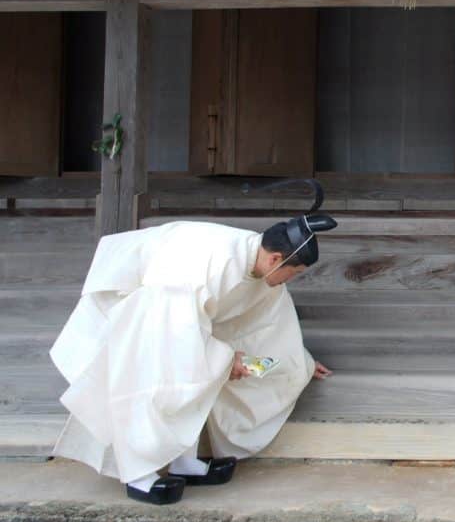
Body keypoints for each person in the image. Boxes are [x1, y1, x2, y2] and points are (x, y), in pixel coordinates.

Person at [48, 211, 337, 505]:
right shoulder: (212, 263)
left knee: (201, 380)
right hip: (144, 312)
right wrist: (225, 360)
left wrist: (300, 361)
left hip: (182, 324)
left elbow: (270, 324)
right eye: (295, 272)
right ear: (276, 259)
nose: (292, 279)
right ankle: (139, 476)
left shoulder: (260, 266)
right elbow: (175, 328)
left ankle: (184, 464)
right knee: (148, 390)